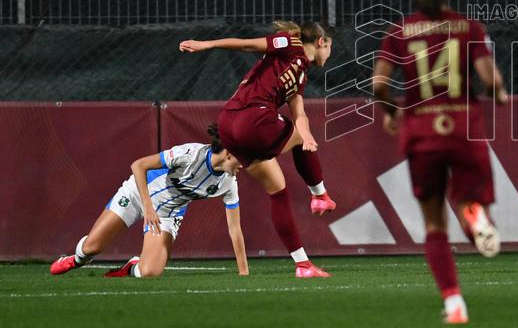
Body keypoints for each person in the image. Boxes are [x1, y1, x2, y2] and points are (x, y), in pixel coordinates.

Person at [371, 0, 509, 324]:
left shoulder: (400, 31)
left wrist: (391, 111)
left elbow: (378, 85)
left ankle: (453, 304)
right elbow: (488, 77)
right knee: (469, 200)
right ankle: (475, 214)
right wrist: (499, 94)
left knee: (434, 224)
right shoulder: (468, 27)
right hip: (463, 127)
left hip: (421, 132)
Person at [179, 21, 334, 278]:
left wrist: (306, 137)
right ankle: (319, 195)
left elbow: (300, 115)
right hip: (252, 118)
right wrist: (208, 44)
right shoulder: (291, 44)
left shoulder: (299, 75)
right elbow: (248, 44)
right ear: (321, 42)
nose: (329, 55)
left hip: (229, 124)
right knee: (295, 147)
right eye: (330, 48)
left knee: (278, 191)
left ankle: (303, 264)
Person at [50, 127, 248, 278]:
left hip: (167, 215)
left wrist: (243, 272)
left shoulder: (229, 183)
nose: (245, 165)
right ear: (228, 154)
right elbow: (139, 165)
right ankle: (76, 259)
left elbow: (235, 228)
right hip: (138, 193)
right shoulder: (190, 154)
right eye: (243, 158)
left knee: (150, 272)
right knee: (91, 248)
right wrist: (147, 207)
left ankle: (131, 268)